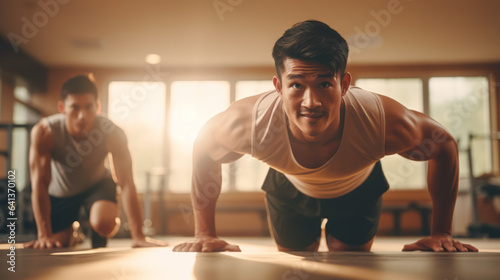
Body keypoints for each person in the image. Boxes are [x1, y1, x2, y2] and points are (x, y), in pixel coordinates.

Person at [173, 20, 478, 253]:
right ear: (278, 87)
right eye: (296, 85)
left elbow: (443, 144)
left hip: (359, 189)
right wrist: (205, 234)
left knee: (349, 265)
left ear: (344, 84)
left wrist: (442, 232)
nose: (311, 102)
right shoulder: (251, 123)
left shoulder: (379, 121)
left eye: (323, 84)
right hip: (288, 190)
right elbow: (203, 147)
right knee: (296, 266)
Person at [25, 75, 166, 249]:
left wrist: (138, 236)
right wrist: (44, 235)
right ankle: (73, 233)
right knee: (56, 243)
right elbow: (39, 184)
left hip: (97, 186)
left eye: (88, 107)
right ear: (62, 108)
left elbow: (127, 183)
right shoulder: (45, 132)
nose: (82, 115)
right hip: (61, 192)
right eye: (74, 108)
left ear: (98, 107)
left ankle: (96, 230)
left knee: (103, 223)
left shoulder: (112, 133)